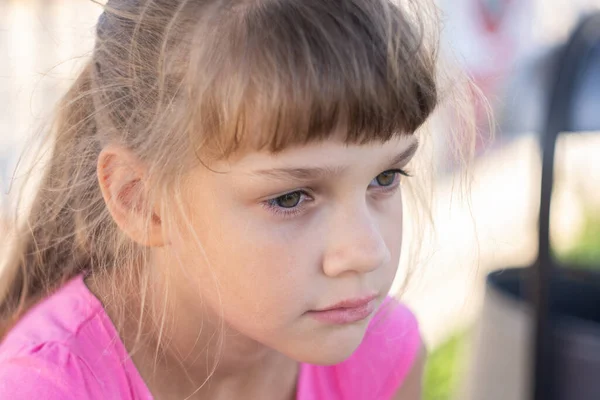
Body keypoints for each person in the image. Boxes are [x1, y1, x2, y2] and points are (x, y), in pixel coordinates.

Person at [0, 0, 476, 398]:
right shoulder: (46, 387)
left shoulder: (381, 356)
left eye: (385, 177)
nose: (369, 251)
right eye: (291, 198)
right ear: (140, 200)